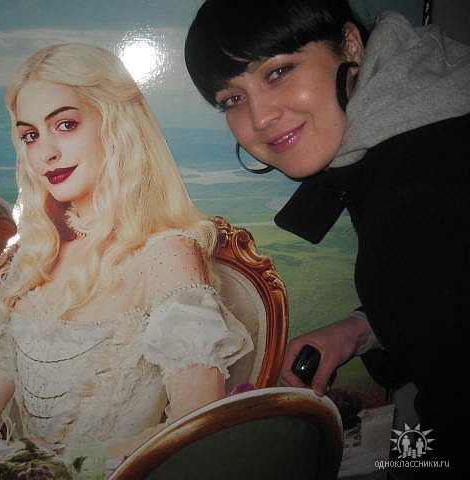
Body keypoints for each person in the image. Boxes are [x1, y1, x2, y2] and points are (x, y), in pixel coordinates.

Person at [185, 0, 470, 475]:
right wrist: (362, 329)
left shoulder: (428, 181)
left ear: (351, 45)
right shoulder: (417, 132)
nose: (259, 117)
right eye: (232, 99)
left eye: (278, 72)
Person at [0, 43, 253, 465]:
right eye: (30, 135)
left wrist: (55, 469)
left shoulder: (166, 253)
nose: (46, 152)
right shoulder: (33, 260)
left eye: (65, 124)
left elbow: (192, 428)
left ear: (117, 124)